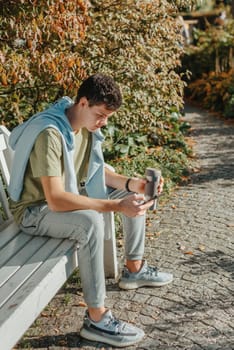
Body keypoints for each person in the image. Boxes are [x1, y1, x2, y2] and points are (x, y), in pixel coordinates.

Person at [8, 73, 173, 347]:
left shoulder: (85, 127)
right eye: (100, 115)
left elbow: (99, 175)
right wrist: (115, 206)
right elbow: (57, 199)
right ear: (83, 103)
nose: (103, 122)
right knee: (91, 223)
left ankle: (134, 268)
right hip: (34, 212)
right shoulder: (50, 133)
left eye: (107, 117)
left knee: (128, 193)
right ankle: (97, 319)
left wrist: (136, 185)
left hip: (59, 202)